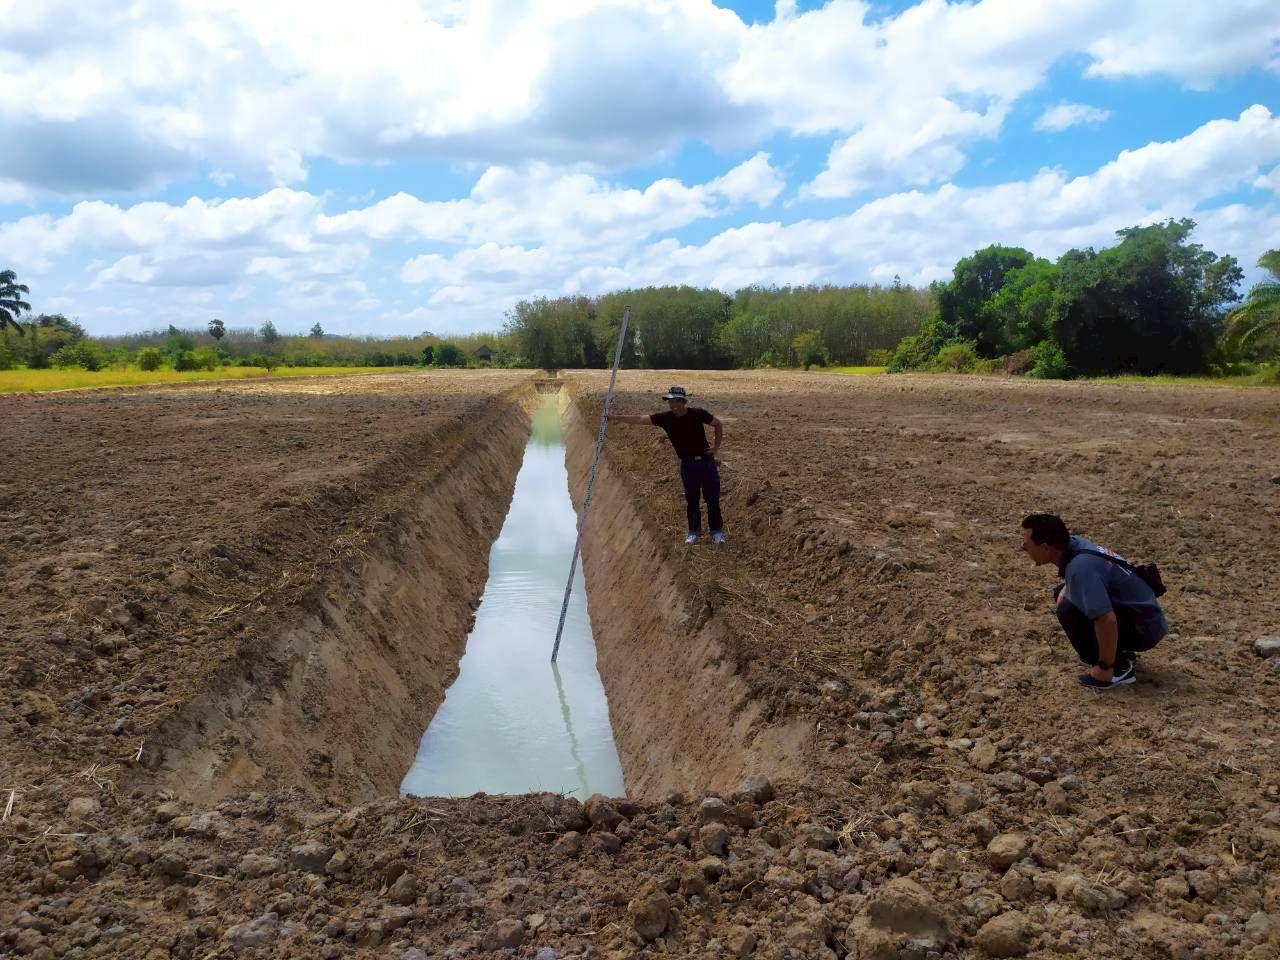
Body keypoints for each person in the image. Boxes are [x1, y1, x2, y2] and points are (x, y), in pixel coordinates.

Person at [1020, 513, 1168, 690]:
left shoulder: (1080, 568)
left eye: (1026, 546)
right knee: (1065, 593)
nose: (1023, 549)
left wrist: (1105, 667)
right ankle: (1118, 652)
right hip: (1145, 615)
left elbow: (1106, 619)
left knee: (1068, 610)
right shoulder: (1076, 545)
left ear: (1045, 548)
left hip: (1145, 629)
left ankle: (1116, 669)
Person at [607, 386, 725, 545]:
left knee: (712, 500)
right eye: (670, 401)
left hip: (706, 463)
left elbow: (718, 424)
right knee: (692, 500)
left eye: (676, 401)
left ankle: (716, 532)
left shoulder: (698, 414)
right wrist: (614, 417)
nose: (673, 404)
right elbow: (639, 419)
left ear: (683, 401)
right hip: (688, 466)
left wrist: (716, 448)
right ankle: (693, 532)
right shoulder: (665, 418)